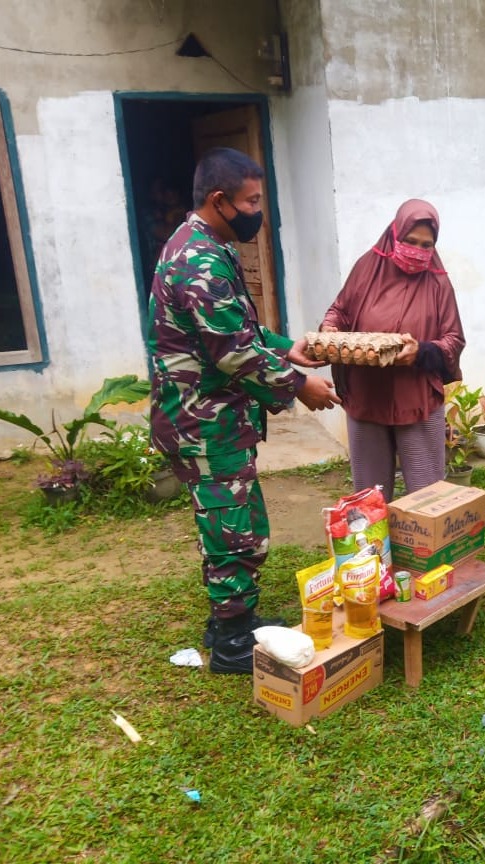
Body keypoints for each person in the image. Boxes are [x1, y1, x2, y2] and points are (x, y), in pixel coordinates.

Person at [148, 147, 341, 675]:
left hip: (212, 417)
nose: (258, 211)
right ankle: (232, 640)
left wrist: (286, 347)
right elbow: (233, 353)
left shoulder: (210, 246)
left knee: (233, 520)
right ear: (219, 200)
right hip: (202, 420)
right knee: (233, 527)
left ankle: (233, 619)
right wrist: (298, 386)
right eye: (251, 201)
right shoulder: (199, 260)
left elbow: (242, 330)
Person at [321, 199, 465, 499]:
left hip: (416, 401)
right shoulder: (367, 268)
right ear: (394, 234)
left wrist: (421, 351)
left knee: (427, 496)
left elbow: (453, 339)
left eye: (426, 245)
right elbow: (340, 310)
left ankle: (421, 533)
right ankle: (375, 533)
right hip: (366, 397)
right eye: (410, 241)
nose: (417, 251)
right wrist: (330, 327)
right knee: (369, 497)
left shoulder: (438, 283)